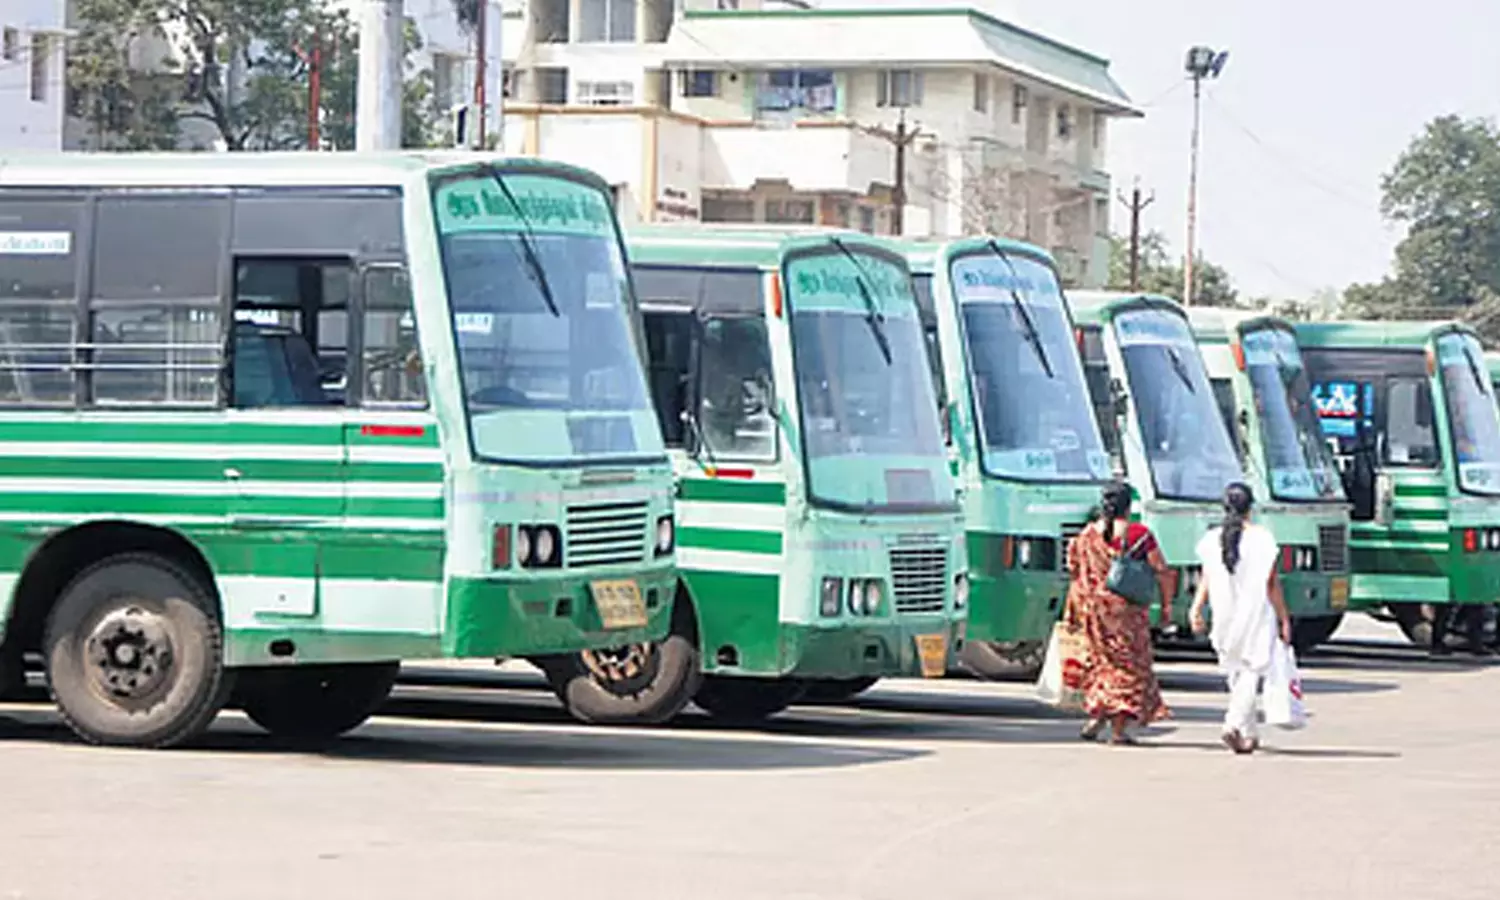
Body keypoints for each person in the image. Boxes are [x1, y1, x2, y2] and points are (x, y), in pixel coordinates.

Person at [1065, 481, 1173, 745]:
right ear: (1129, 505)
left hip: (1092, 611)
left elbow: (1075, 572)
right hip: (1125, 614)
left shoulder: (1085, 535)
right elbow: (1161, 569)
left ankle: (1097, 717)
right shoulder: (1138, 534)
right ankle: (1118, 730)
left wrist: (1072, 611)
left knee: (1099, 664)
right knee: (1128, 667)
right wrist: (1166, 605)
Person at [1189, 482, 1292, 755]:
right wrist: (1284, 617)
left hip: (1224, 613)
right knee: (1251, 669)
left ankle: (1248, 733)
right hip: (1256, 612)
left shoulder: (1211, 539)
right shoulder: (1262, 539)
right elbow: (1271, 584)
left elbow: (1206, 577)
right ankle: (1233, 724)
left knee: (1236, 669)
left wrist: (1196, 608)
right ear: (1251, 508)